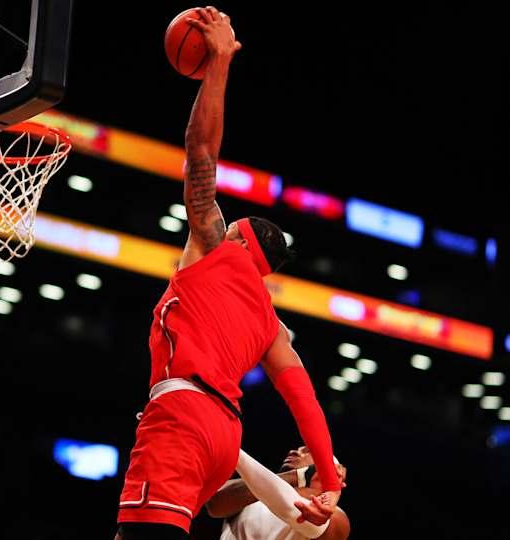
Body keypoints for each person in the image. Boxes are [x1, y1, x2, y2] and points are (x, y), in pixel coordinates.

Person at [114, 7, 342, 540]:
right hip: (225, 436)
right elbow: (302, 394)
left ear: (236, 236)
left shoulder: (216, 248)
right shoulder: (268, 320)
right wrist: (328, 477)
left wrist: (218, 62)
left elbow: (201, 152)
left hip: (183, 413)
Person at [206, 446, 350, 539]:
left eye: (307, 451)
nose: (294, 451)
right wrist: (299, 476)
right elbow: (213, 503)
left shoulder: (337, 518)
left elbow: (315, 526)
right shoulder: (254, 494)